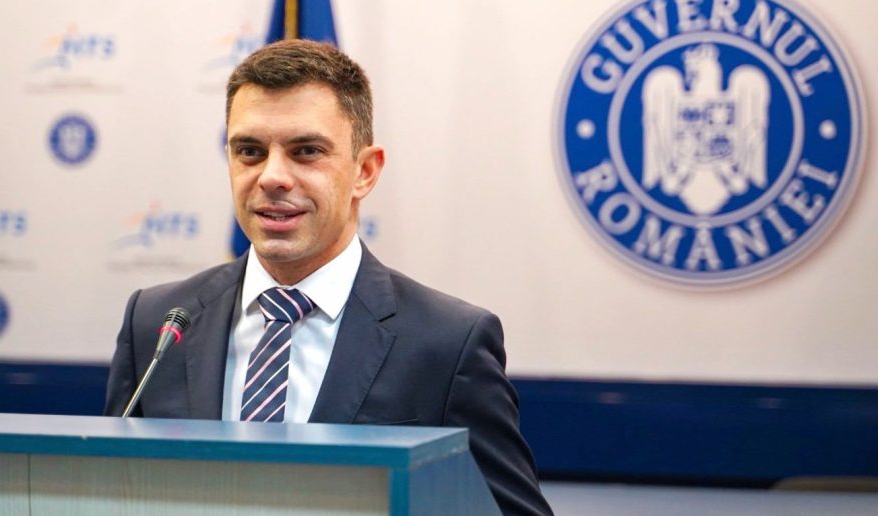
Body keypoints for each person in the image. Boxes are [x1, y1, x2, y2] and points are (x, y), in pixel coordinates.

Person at [104, 39, 552, 515]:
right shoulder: (157, 323)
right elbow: (110, 493)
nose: (272, 177)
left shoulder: (447, 343)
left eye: (306, 151)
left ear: (365, 171)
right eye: (250, 151)